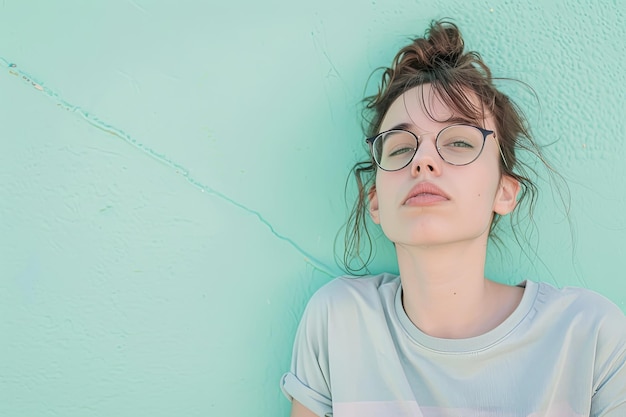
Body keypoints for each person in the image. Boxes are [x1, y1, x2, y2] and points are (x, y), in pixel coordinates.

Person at [280, 20, 626, 417]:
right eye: (398, 148)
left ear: (504, 192)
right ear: (375, 201)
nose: (423, 161)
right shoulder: (338, 321)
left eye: (459, 141)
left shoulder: (589, 336)